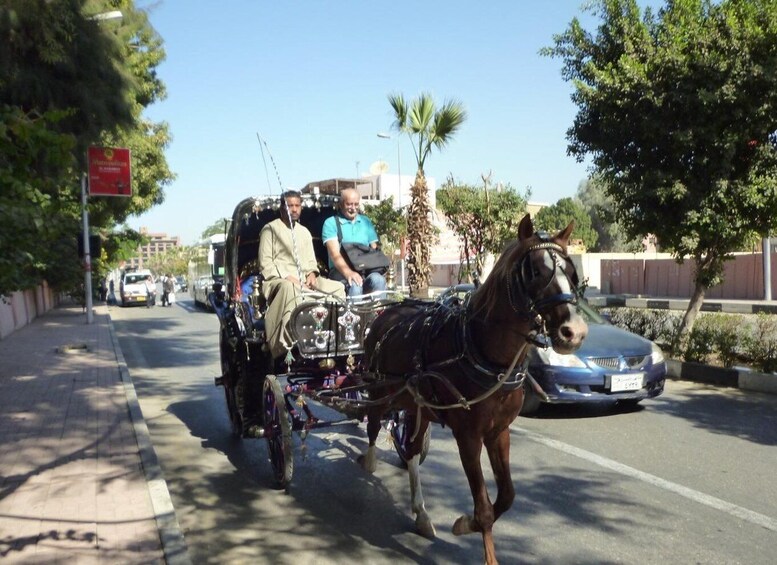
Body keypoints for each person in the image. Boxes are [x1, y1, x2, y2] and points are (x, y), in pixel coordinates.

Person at [259, 190, 345, 359]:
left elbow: (311, 262)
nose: (294, 209)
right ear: (282, 208)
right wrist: (288, 277)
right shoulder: (270, 229)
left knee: (338, 288)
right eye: (290, 206)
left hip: (305, 280)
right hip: (278, 281)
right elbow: (266, 264)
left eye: (297, 206)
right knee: (290, 288)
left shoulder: (304, 232)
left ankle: (333, 336)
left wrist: (312, 274)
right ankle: (290, 341)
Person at [321, 187, 387, 297]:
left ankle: (379, 313)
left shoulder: (366, 222)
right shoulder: (331, 223)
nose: (353, 208)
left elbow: (374, 249)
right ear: (341, 204)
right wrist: (349, 273)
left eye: (356, 204)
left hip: (365, 269)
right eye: (349, 204)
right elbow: (334, 254)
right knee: (355, 284)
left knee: (379, 280)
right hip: (340, 271)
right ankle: (354, 314)